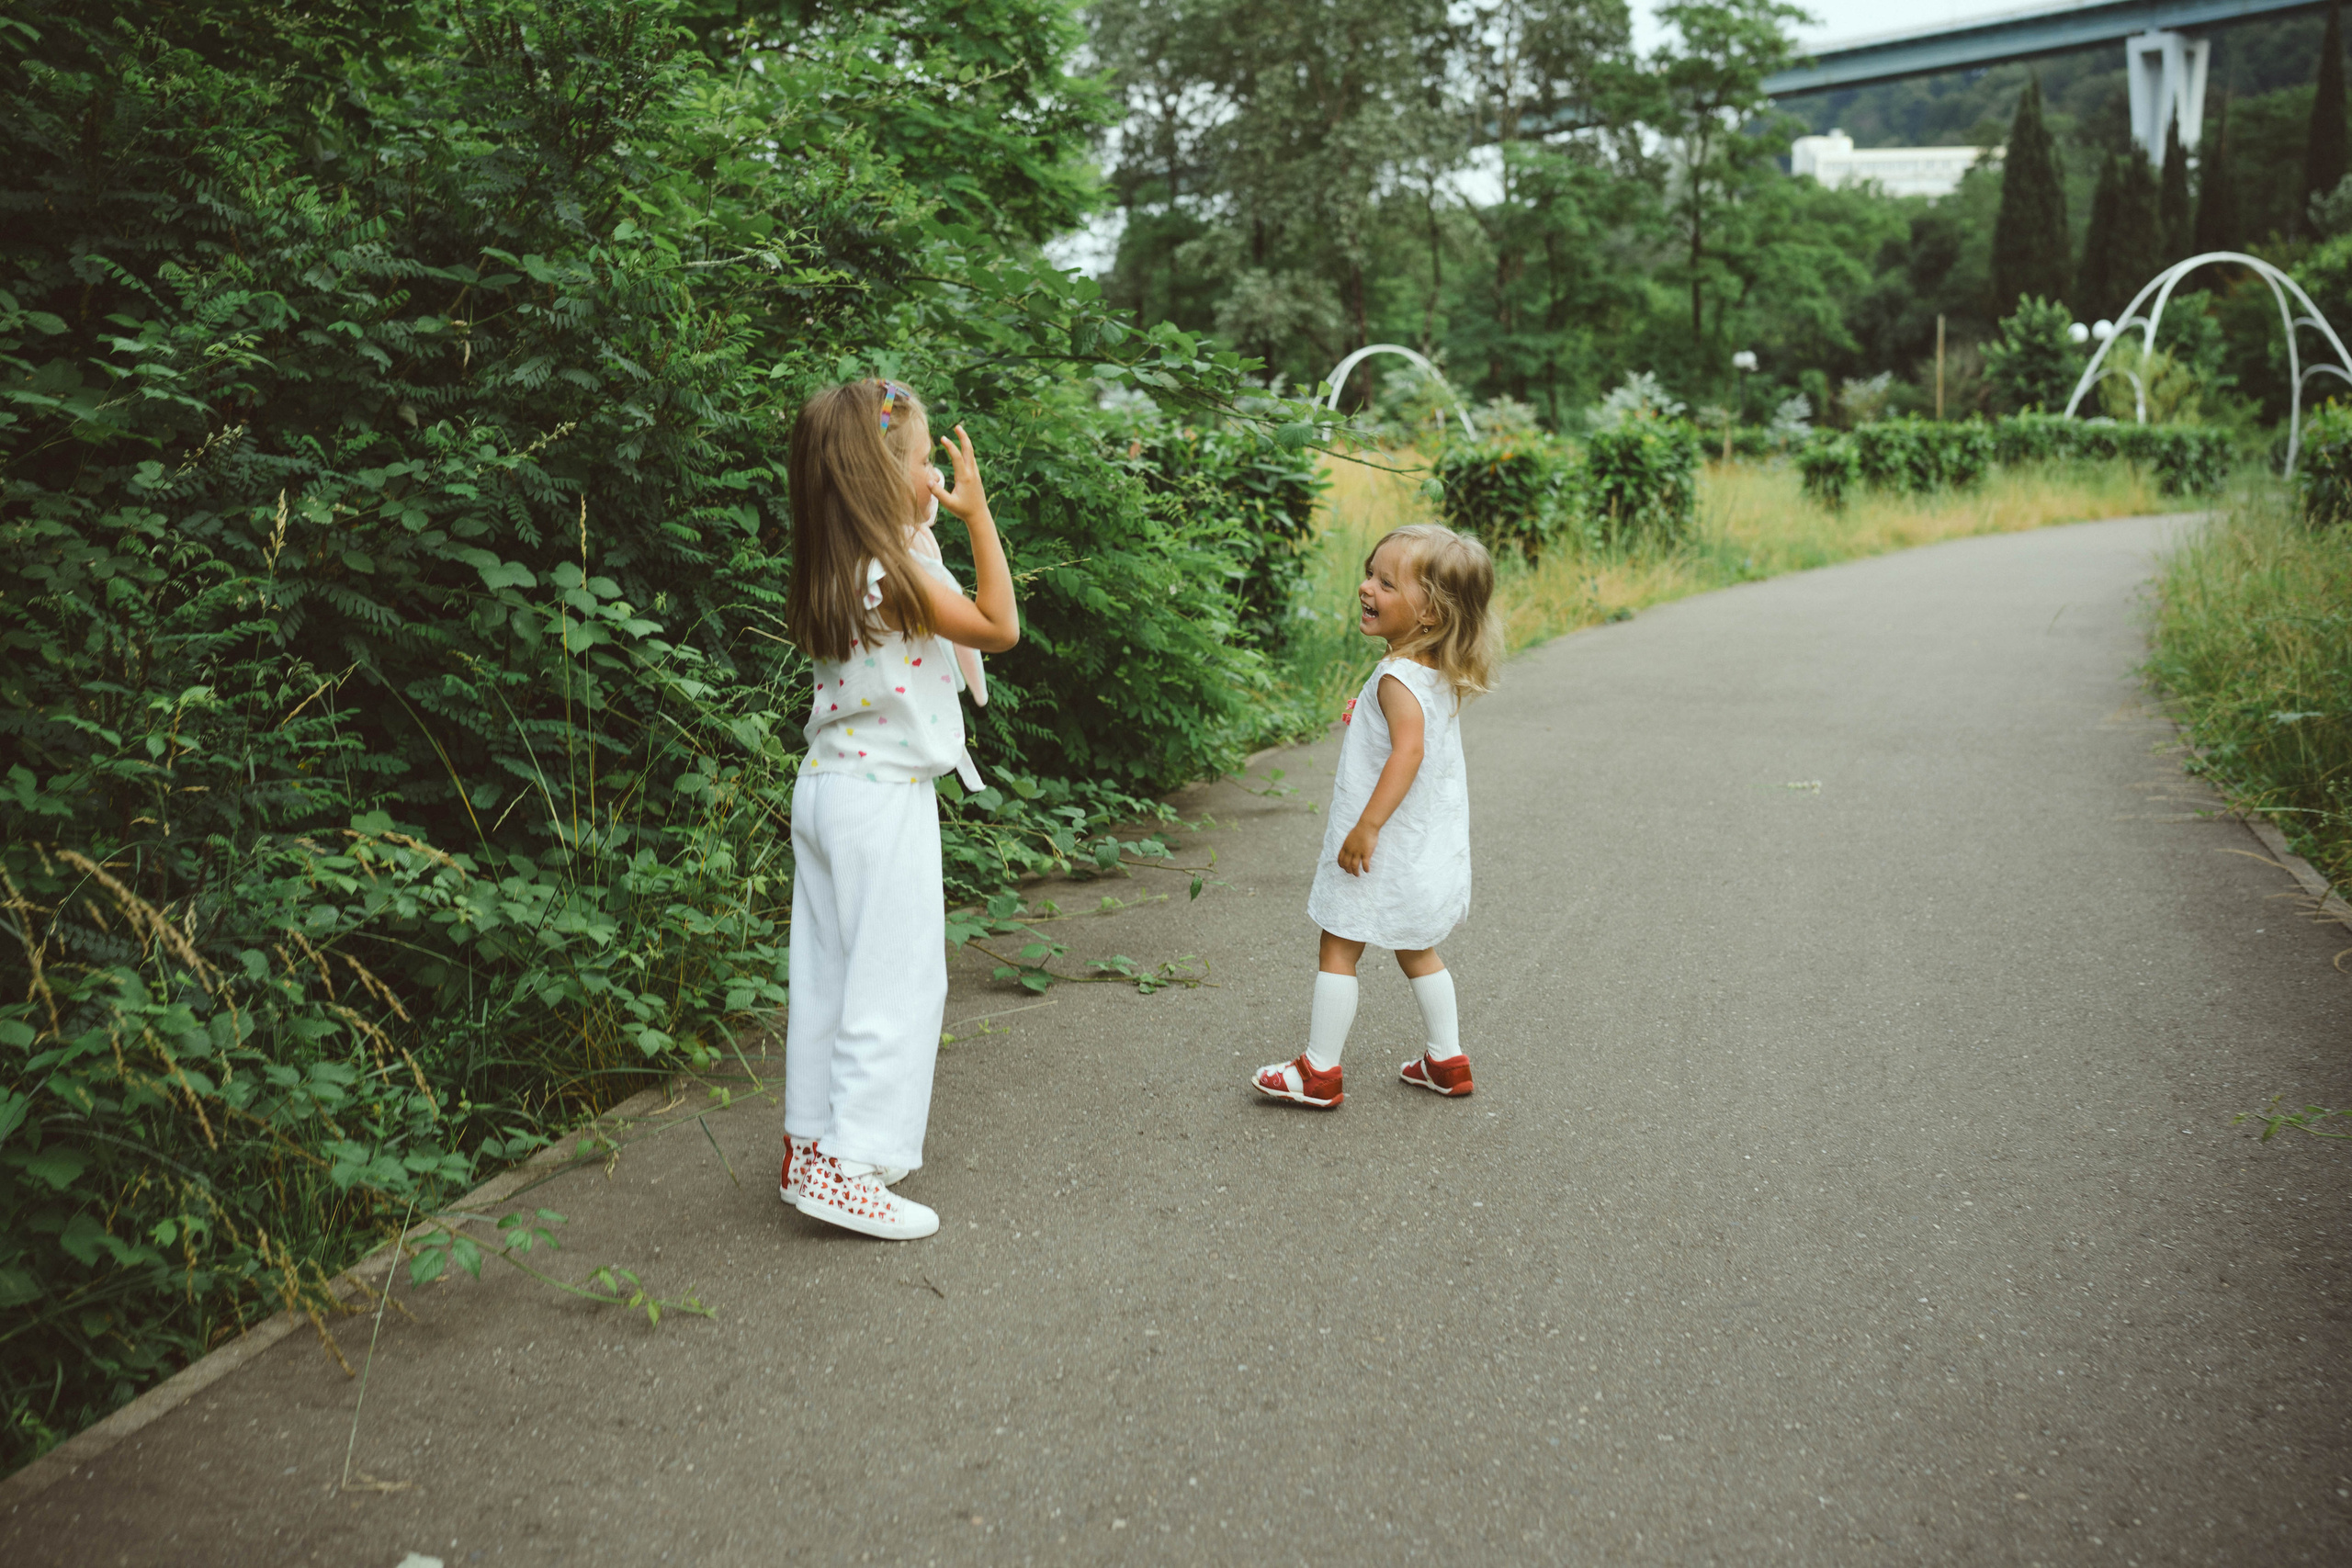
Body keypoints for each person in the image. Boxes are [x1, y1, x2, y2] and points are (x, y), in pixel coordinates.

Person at [779, 378, 1017, 1239]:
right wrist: (977, 517)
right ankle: (851, 1167)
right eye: (922, 465)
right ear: (886, 478)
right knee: (897, 981)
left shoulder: (842, 565)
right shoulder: (902, 574)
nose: (936, 479)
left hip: (828, 788)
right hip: (883, 799)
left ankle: (811, 1145)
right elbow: (998, 625)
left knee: (830, 978)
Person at [1253, 523, 1497, 1109]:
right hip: (1420, 849)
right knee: (1418, 948)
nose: (1367, 587)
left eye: (1387, 583)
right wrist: (1367, 710)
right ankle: (1447, 1060)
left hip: (1378, 845)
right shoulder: (1429, 670)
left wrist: (1366, 826)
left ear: (1431, 614)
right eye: (1370, 573)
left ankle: (1320, 1070)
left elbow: (1408, 752)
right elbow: (1411, 733)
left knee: (1338, 945)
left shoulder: (1396, 678)